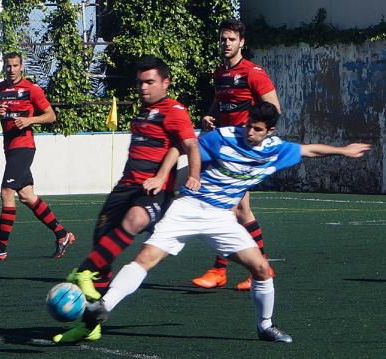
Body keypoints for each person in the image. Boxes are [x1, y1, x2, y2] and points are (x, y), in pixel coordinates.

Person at [53, 101, 370, 343]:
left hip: (221, 217)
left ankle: (265, 326)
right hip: (189, 207)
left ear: (269, 131)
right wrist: (169, 178)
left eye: (257, 129)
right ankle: (100, 309)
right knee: (145, 259)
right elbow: (183, 146)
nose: (249, 132)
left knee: (261, 269)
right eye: (248, 125)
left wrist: (344, 151)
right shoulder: (223, 137)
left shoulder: (276, 150)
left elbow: (310, 149)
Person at [65, 55, 201, 303]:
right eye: (140, 83)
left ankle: (82, 271)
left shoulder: (175, 111)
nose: (143, 88)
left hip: (152, 190)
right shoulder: (144, 110)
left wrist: (192, 176)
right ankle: (98, 299)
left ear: (166, 82)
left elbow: (190, 145)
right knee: (101, 236)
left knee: (134, 220)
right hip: (126, 185)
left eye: (149, 82)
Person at [192, 18, 281, 291]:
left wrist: (254, 135)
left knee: (227, 207)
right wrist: (210, 117)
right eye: (223, 39)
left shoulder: (253, 72)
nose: (226, 43)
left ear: (242, 42)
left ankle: (221, 269)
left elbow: (273, 108)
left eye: (231, 39)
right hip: (225, 147)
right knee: (241, 209)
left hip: (243, 150)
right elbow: (219, 103)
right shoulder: (220, 73)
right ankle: (260, 267)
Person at [0, 52, 74, 260]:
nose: (11, 69)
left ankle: (1, 246)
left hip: (24, 147)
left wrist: (30, 121)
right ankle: (62, 234)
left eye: (15, 66)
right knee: (27, 196)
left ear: (21, 67)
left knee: (6, 192)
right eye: (8, 66)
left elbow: (51, 115)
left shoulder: (31, 89)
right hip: (10, 148)